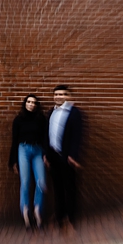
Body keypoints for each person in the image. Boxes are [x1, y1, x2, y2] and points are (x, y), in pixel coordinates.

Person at [45, 84, 85, 231]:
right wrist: (46, 155)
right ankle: (60, 216)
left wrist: (74, 155)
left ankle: (71, 218)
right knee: (57, 189)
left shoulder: (75, 113)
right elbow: (47, 135)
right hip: (53, 157)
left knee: (70, 189)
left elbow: (78, 136)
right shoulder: (51, 112)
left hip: (67, 157)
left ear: (68, 96)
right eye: (56, 94)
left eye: (62, 94)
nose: (59, 97)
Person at [8, 94, 49, 230]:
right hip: (23, 150)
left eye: (34, 103)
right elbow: (14, 141)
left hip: (38, 150)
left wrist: (45, 155)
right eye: (29, 102)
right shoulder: (18, 120)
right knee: (25, 182)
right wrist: (13, 161)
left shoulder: (41, 119)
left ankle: (37, 211)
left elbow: (45, 138)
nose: (31, 104)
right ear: (25, 103)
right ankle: (26, 214)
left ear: (37, 105)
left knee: (41, 182)